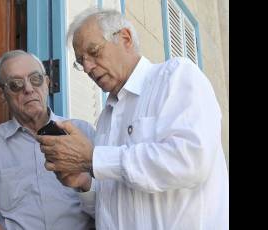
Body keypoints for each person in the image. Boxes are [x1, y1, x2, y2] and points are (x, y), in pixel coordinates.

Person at [37, 8, 229, 230]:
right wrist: (85, 184)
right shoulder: (105, 119)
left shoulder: (176, 77)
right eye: (81, 61)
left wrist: (92, 158)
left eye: (94, 51)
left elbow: (191, 159)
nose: (88, 67)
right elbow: (117, 206)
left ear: (125, 38)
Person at [0, 50, 96, 230]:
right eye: (16, 84)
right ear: (2, 94)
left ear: (47, 83)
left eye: (36, 79)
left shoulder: (83, 132)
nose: (28, 89)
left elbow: (112, 202)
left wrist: (85, 182)